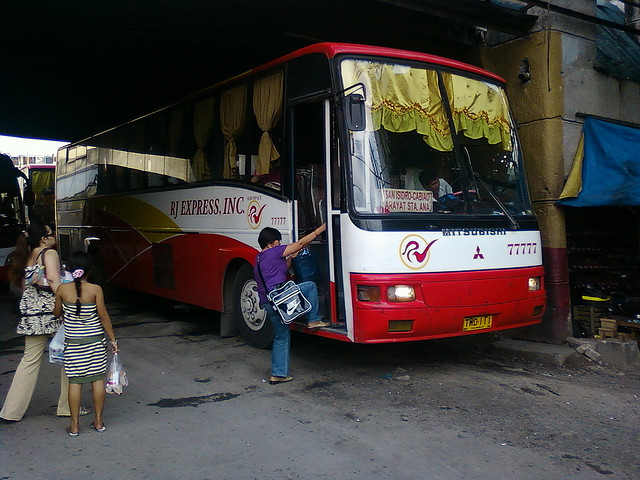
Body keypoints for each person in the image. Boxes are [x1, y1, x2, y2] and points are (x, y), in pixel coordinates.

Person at [0, 224, 72, 421]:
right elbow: (55, 283)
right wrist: (73, 302)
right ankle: (67, 406)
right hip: (53, 312)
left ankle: (11, 412)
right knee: (69, 359)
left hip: (33, 315)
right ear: (43, 239)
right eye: (51, 233)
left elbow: (25, 285)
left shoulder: (29, 254)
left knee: (29, 361)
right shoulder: (49, 253)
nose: (54, 235)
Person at [254, 224, 329, 385]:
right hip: (281, 298)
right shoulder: (274, 252)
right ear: (270, 243)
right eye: (277, 242)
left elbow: (281, 269)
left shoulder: (259, 257)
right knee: (310, 286)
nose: (280, 245)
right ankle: (313, 320)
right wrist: (319, 230)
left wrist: (290, 259)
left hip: (270, 303)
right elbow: (301, 243)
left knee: (281, 337)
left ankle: (278, 374)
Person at [54, 251, 119, 436]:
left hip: (74, 343)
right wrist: (113, 339)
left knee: (75, 382)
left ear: (70, 270)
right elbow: (103, 316)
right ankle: (98, 422)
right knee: (97, 380)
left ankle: (74, 426)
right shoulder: (96, 289)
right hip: (95, 342)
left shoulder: (61, 289)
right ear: (90, 270)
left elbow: (56, 313)